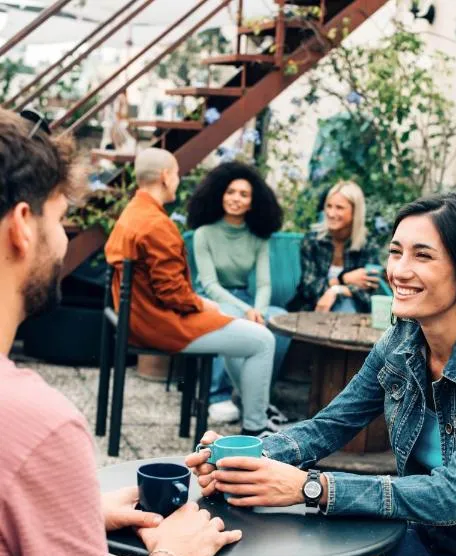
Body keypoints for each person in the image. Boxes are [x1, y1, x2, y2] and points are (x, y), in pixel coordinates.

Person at [188, 192, 456, 556]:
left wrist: (311, 487)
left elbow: (453, 496)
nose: (399, 270)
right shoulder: (401, 343)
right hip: (417, 528)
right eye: (396, 252)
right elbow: (328, 427)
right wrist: (248, 456)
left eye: (422, 256)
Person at [0, 108, 241, 556]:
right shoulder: (36, 426)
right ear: (24, 226)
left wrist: (75, 507)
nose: (64, 240)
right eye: (62, 218)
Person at [105, 148, 279, 438]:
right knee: (262, 339)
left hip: (139, 315)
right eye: (176, 174)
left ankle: (252, 415)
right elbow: (173, 293)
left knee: (242, 327)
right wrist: (203, 306)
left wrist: (204, 304)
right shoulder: (156, 224)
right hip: (160, 323)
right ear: (164, 176)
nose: (178, 180)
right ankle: (256, 429)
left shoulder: (135, 211)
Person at [187, 161, 291, 426]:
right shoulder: (204, 234)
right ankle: (248, 403)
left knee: (280, 324)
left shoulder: (258, 237)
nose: (235, 199)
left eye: (243, 194)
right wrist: (247, 311)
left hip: (245, 299)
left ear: (252, 203)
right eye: (231, 192)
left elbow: (264, 284)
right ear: (220, 194)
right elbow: (209, 284)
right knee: (238, 325)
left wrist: (260, 310)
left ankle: (256, 397)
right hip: (211, 299)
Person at [288, 180, 381, 314]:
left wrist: (335, 290)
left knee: (347, 305)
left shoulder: (368, 245)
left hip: (352, 314)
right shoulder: (313, 240)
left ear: (355, 211)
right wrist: (344, 279)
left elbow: (368, 294)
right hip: (310, 309)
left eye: (339, 207)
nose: (331, 213)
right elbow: (309, 288)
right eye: (329, 206)